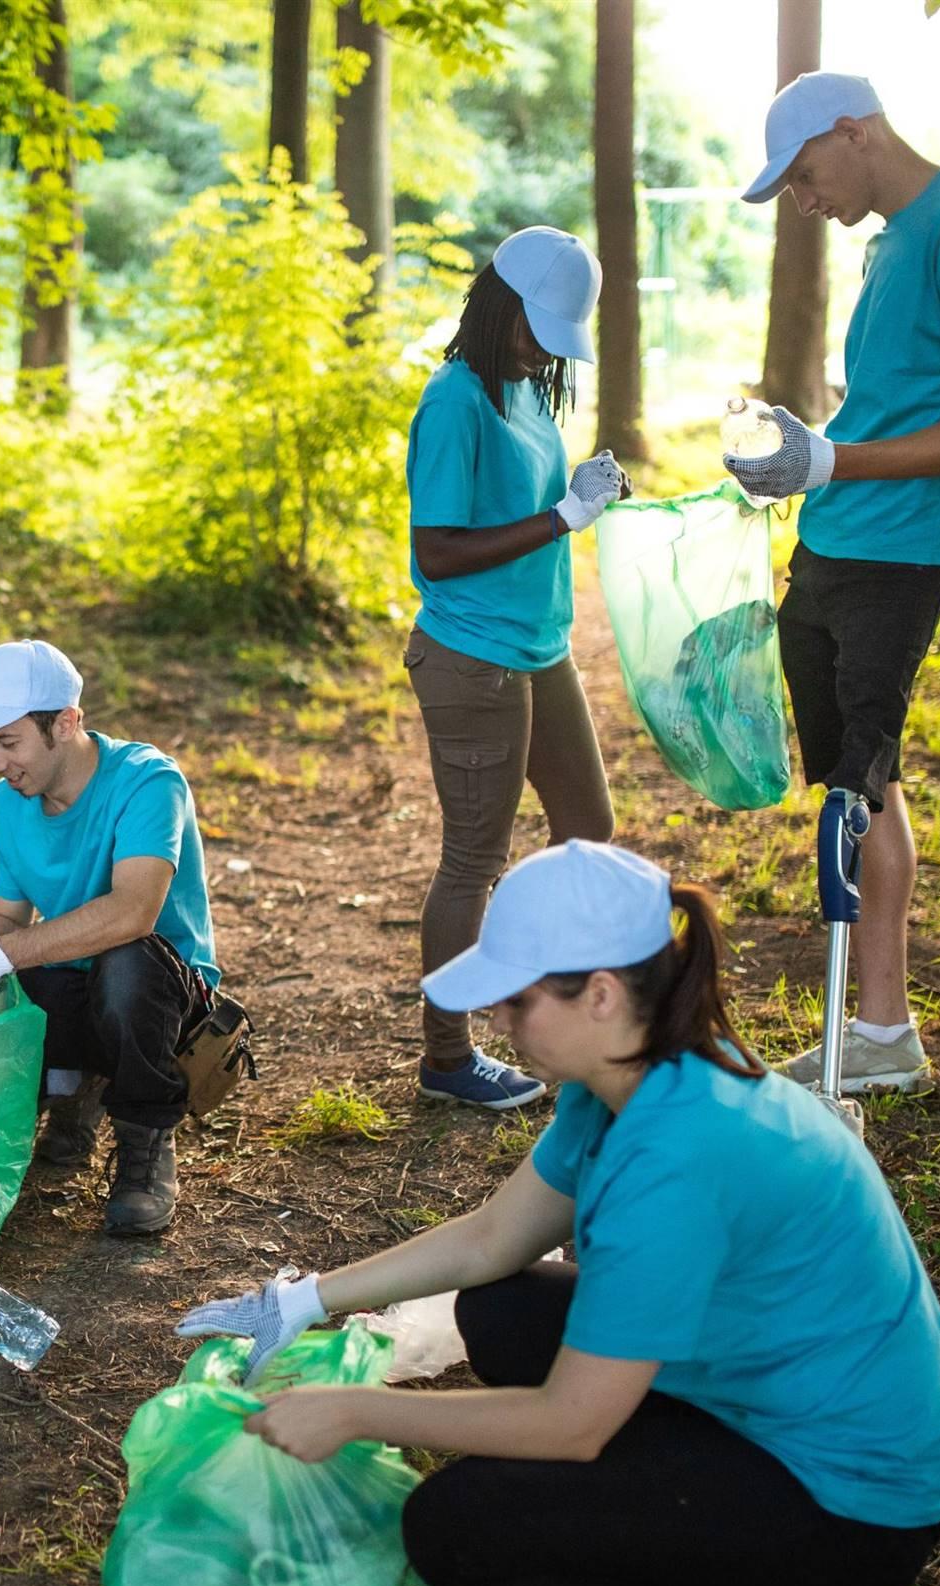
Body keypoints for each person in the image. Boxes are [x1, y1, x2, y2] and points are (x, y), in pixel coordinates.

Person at [177, 841, 940, 1586]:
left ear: (600, 992)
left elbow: (573, 1423)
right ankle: (709, 1529)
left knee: (459, 1531)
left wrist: (354, 1411)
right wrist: (303, 1298)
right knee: (501, 1311)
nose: (505, 1023)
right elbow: (491, 1241)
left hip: (852, 1502)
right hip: (769, 1394)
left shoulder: (678, 1156)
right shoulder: (628, 1077)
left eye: (519, 1001)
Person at [722, 70, 940, 1094]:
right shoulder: (890, 240)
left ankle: (881, 1033)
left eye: (805, 175)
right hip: (839, 535)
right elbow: (896, 405)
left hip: (900, 549)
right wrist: (804, 457)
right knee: (856, 779)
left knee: (855, 784)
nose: (802, 200)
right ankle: (881, 1030)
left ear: (854, 133)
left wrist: (834, 462)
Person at [403, 225, 631, 1112]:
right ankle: (447, 1058)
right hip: (473, 658)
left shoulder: (528, 388)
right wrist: (561, 520)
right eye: (533, 328)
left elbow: (528, 498)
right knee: (473, 861)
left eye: (553, 336)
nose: (542, 348)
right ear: (497, 303)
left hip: (541, 648)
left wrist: (583, 490)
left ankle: (559, 1001)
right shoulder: (455, 400)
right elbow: (440, 550)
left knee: (588, 823)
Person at [0, 640, 219, 1236]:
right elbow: (7, 923)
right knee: (6, 980)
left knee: (126, 965)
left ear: (66, 723)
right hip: (76, 980)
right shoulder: (10, 801)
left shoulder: (148, 781)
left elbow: (132, 913)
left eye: (8, 742)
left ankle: (145, 1145)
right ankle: (71, 1094)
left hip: (167, 1000)